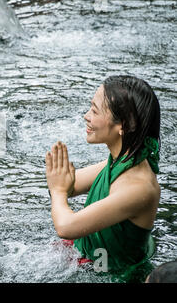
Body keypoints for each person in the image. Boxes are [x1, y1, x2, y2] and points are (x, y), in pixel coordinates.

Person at [45, 75, 161, 281]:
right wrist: (60, 185)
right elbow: (69, 185)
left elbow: (66, 226)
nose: (86, 116)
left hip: (114, 275)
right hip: (95, 261)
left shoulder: (139, 187)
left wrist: (58, 190)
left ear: (124, 126)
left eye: (95, 111)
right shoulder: (122, 160)